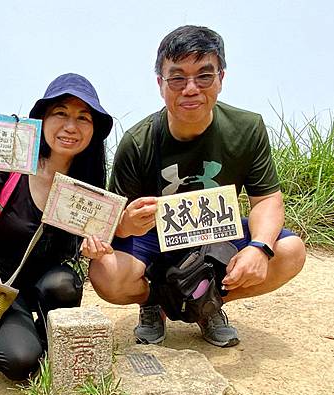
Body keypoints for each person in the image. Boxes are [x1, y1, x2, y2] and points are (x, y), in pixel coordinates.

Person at [89, 25, 306, 348]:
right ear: (160, 84)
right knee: (106, 273)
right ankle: (156, 301)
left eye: (204, 76)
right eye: (177, 78)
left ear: (221, 78)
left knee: (289, 251)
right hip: (154, 237)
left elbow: (266, 199)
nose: (190, 89)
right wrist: (124, 225)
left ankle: (207, 302)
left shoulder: (247, 128)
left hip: (218, 232)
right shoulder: (137, 141)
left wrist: (259, 247)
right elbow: (110, 227)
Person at [0, 73, 113, 381]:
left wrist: (95, 251)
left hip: (47, 283)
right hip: (1, 283)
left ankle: (42, 330)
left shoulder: (87, 188)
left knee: (65, 283)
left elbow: (91, 244)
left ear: (94, 130)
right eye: (60, 113)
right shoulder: (11, 165)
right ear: (42, 120)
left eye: (83, 117)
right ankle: (0, 330)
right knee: (21, 361)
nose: (70, 126)